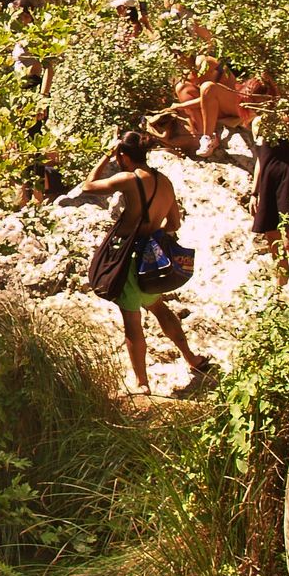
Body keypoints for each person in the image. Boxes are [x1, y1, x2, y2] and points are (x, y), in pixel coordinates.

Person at [78, 131, 214, 396]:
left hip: (129, 257)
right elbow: (174, 223)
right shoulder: (165, 183)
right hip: (152, 259)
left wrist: (106, 155)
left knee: (132, 321)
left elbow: (88, 186)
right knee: (160, 309)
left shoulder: (129, 179)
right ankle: (192, 358)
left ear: (124, 156)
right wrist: (154, 230)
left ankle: (142, 383)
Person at [246, 88, 289, 293]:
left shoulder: (284, 118)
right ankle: (279, 291)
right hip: (268, 184)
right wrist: (254, 192)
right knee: (273, 240)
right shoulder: (257, 123)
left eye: (259, 98)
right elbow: (260, 159)